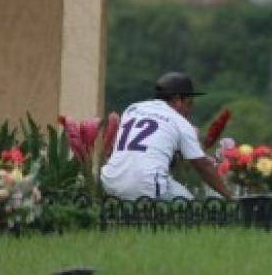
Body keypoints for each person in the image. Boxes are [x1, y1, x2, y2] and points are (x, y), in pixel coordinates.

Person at [100, 72, 233, 201]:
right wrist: (230, 196)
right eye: (190, 103)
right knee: (192, 209)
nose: (190, 110)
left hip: (110, 181)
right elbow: (203, 165)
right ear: (177, 100)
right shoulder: (180, 121)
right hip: (146, 185)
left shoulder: (132, 109)